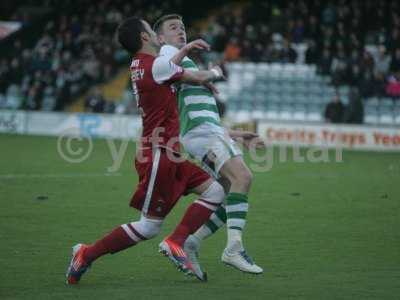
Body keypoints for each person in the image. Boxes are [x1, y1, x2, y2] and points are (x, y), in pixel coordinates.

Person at [66, 17, 227, 284]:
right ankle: (86, 253)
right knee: (149, 226)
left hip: (170, 152)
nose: (155, 33)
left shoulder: (142, 65)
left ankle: (177, 241)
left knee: (216, 190)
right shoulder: (156, 65)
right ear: (144, 37)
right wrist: (216, 73)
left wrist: (185, 51)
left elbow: (171, 72)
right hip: (159, 154)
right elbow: (194, 75)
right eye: (152, 30)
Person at [154, 14, 263, 275]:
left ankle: (190, 241)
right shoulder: (169, 55)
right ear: (160, 38)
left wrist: (234, 134)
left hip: (207, 132)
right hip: (202, 134)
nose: (180, 31)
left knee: (228, 192)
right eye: (173, 28)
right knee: (243, 177)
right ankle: (233, 249)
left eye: (182, 27)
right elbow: (162, 69)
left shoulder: (185, 65)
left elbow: (202, 115)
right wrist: (211, 73)